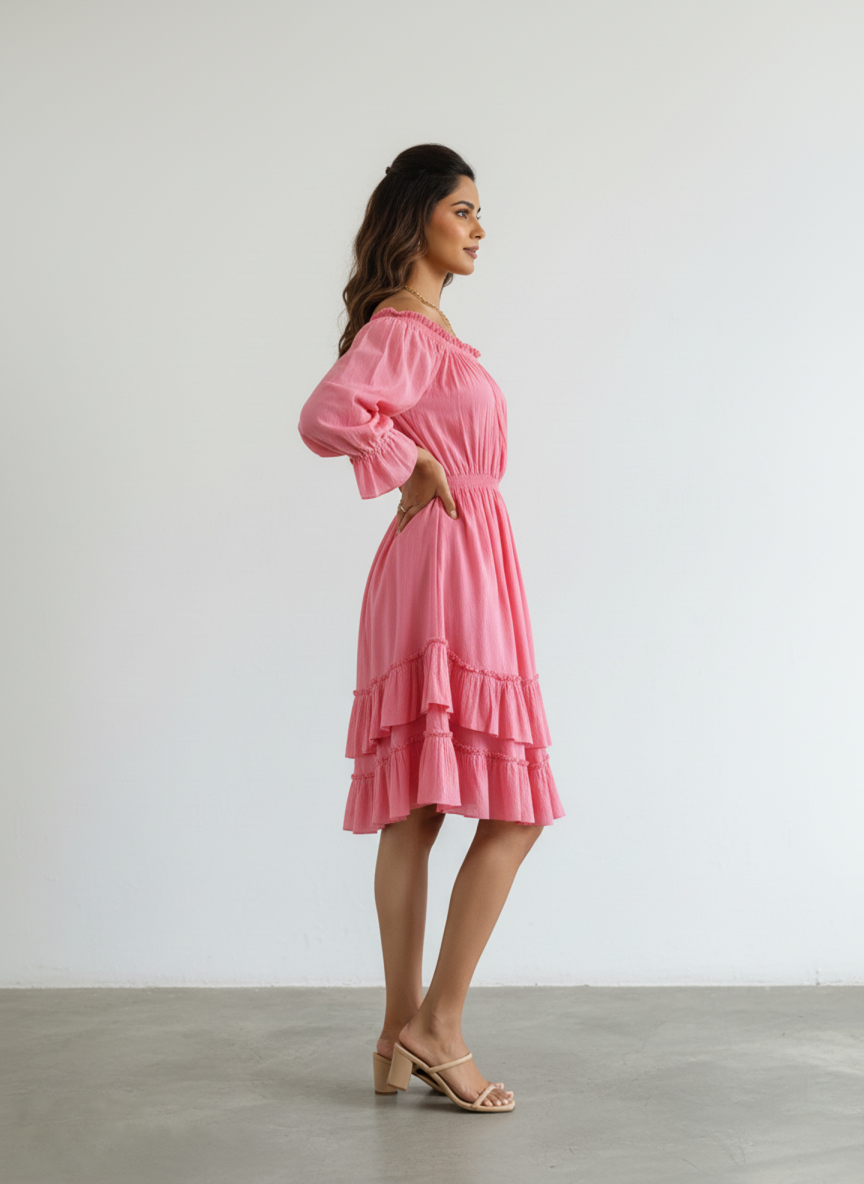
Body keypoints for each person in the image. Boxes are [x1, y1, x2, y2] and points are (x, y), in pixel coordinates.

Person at [297, 144, 565, 1113]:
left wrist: (409, 456)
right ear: (418, 219)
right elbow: (328, 411)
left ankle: (394, 1033)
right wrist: (407, 460)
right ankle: (437, 1023)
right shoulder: (405, 328)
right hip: (448, 563)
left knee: (422, 804)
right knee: (508, 802)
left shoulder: (432, 331)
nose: (480, 228)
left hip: (458, 558)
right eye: (464, 210)